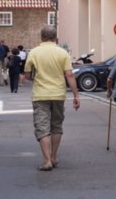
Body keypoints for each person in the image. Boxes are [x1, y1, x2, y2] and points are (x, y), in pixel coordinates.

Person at [22, 26, 80, 170]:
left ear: (41, 37)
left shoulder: (34, 53)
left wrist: (36, 78)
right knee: (56, 126)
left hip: (40, 95)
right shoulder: (63, 53)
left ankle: (47, 160)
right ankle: (54, 157)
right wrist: (76, 95)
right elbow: (69, 75)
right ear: (55, 38)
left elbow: (27, 75)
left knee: (42, 127)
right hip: (58, 94)